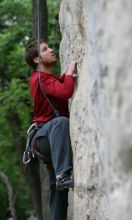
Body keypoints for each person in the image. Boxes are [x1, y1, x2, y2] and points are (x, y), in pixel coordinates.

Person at [25, 39, 77, 220]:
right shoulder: (39, 78)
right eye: (45, 50)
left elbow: (60, 87)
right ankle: (63, 175)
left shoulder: (48, 79)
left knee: (58, 195)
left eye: (49, 47)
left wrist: (64, 77)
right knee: (61, 122)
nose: (51, 50)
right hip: (44, 138)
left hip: (50, 140)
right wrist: (70, 72)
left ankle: (59, 178)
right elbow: (65, 92)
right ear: (36, 60)